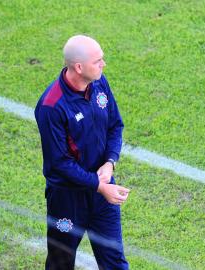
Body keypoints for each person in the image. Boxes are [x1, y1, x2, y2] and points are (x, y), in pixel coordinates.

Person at [35, 35, 130, 269]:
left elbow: (115, 125)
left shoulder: (100, 82)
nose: (103, 64)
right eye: (98, 60)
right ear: (79, 67)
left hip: (102, 193)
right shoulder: (51, 106)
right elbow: (60, 164)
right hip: (67, 200)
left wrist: (110, 163)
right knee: (61, 262)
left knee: (114, 262)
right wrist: (99, 186)